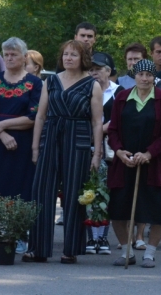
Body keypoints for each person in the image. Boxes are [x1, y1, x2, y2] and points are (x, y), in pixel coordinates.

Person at [25, 40, 104, 264]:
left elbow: (97, 122)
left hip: (78, 138)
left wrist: (96, 154)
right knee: (41, 191)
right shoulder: (50, 81)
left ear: (83, 59)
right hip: (50, 137)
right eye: (66, 54)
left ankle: (71, 249)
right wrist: (34, 147)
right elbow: (40, 116)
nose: (69, 58)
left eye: (74, 55)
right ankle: (38, 248)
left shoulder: (92, 85)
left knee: (73, 194)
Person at [0, 37, 42, 253]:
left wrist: (2, 124)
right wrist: (2, 133)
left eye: (14, 54)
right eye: (6, 54)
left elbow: (33, 116)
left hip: (21, 145)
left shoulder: (34, 83)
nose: (10, 58)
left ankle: (17, 235)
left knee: (18, 188)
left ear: (24, 57)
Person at [107, 59, 161, 268]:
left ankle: (150, 253)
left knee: (156, 210)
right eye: (140, 74)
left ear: (154, 77)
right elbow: (113, 130)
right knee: (118, 209)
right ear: (133, 76)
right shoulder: (122, 98)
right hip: (124, 163)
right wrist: (118, 151)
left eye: (149, 75)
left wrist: (148, 153)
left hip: (153, 164)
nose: (144, 78)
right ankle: (127, 251)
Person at [86, 52, 121, 255]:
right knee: (88, 193)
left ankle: (104, 238)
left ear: (108, 71)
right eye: (90, 69)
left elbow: (121, 120)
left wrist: (101, 130)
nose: (94, 73)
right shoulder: (84, 89)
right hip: (86, 147)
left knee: (106, 193)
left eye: (98, 69)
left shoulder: (120, 92)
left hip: (110, 150)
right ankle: (91, 237)